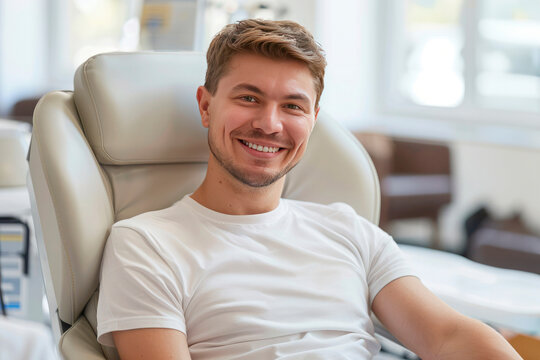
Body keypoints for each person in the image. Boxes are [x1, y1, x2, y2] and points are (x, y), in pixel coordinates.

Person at [96, 19, 522, 359]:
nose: (270, 123)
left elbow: (448, 336)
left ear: (313, 119)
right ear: (206, 106)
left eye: (293, 106)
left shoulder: (347, 230)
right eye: (248, 98)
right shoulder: (145, 244)